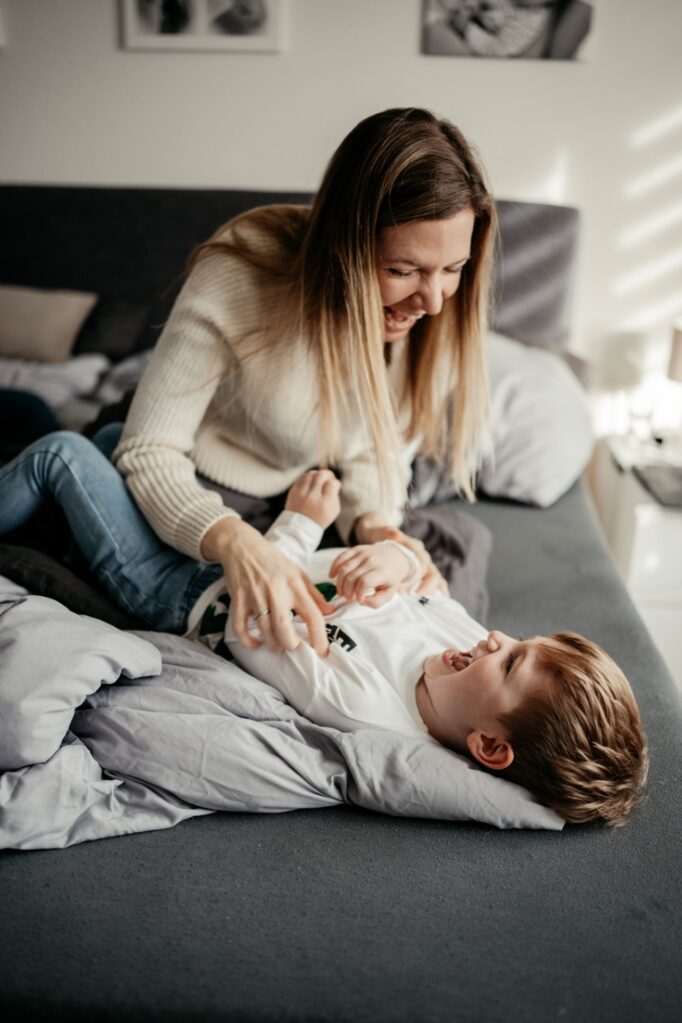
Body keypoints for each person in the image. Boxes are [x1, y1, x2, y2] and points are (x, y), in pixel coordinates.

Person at [0, 434, 648, 826]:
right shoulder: (460, 655)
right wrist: (396, 557)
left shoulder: (366, 708)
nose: (496, 640)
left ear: (490, 748)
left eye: (510, 666)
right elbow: (428, 581)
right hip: (234, 553)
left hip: (188, 591)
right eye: (518, 642)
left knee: (62, 456)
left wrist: (302, 525)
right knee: (121, 435)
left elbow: (253, 625)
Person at [112, 107, 497, 658]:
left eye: (453, 268)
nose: (433, 301)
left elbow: (373, 451)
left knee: (456, 545)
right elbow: (148, 449)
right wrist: (235, 543)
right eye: (402, 270)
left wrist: (373, 527)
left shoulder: (431, 318)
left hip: (304, 495)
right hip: (204, 483)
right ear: (345, 246)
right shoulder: (242, 273)